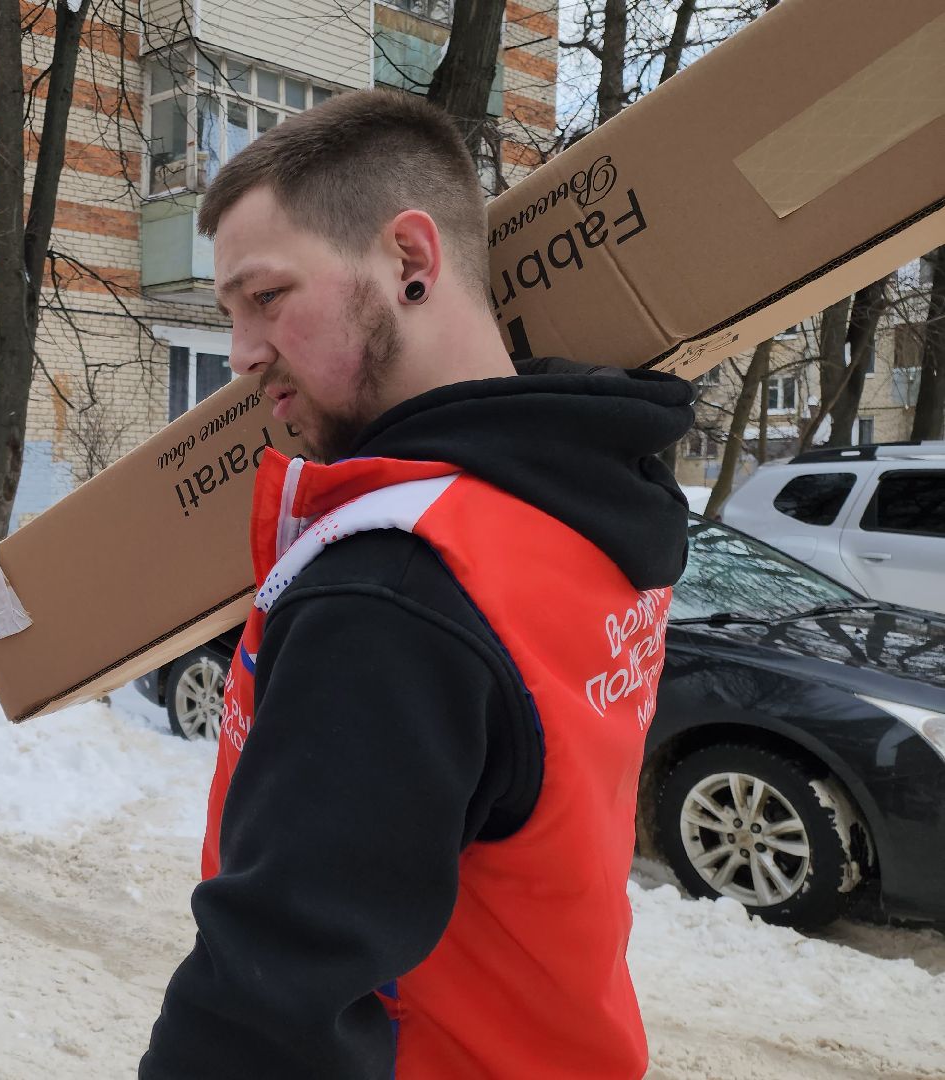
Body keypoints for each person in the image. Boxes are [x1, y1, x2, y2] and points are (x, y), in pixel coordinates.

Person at [139, 90, 694, 1079]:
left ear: (408, 262)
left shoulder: (388, 592)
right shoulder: (582, 502)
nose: (240, 357)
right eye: (228, 316)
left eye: (266, 298)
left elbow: (266, 1014)